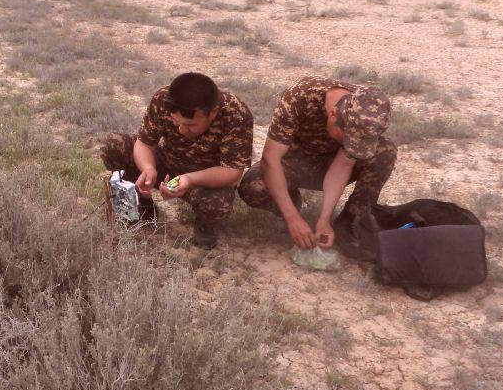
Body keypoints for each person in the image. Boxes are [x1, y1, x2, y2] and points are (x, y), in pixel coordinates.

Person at [238, 76, 395, 255]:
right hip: (295, 163)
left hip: (331, 164)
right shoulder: (300, 96)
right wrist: (292, 217)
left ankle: (348, 222)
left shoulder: (367, 112)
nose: (350, 145)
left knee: (385, 151)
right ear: (333, 114)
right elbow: (270, 158)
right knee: (254, 187)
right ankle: (289, 204)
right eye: (347, 140)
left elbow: (342, 166)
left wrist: (324, 219)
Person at [100, 72, 253, 249]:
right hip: (167, 160)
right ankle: (142, 202)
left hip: (205, 174)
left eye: (190, 125)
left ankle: (204, 225)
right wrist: (148, 169)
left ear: (213, 113)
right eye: (175, 121)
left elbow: (232, 172)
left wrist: (189, 179)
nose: (181, 130)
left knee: (219, 203)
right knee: (113, 145)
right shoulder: (163, 99)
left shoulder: (236, 113)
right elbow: (144, 143)